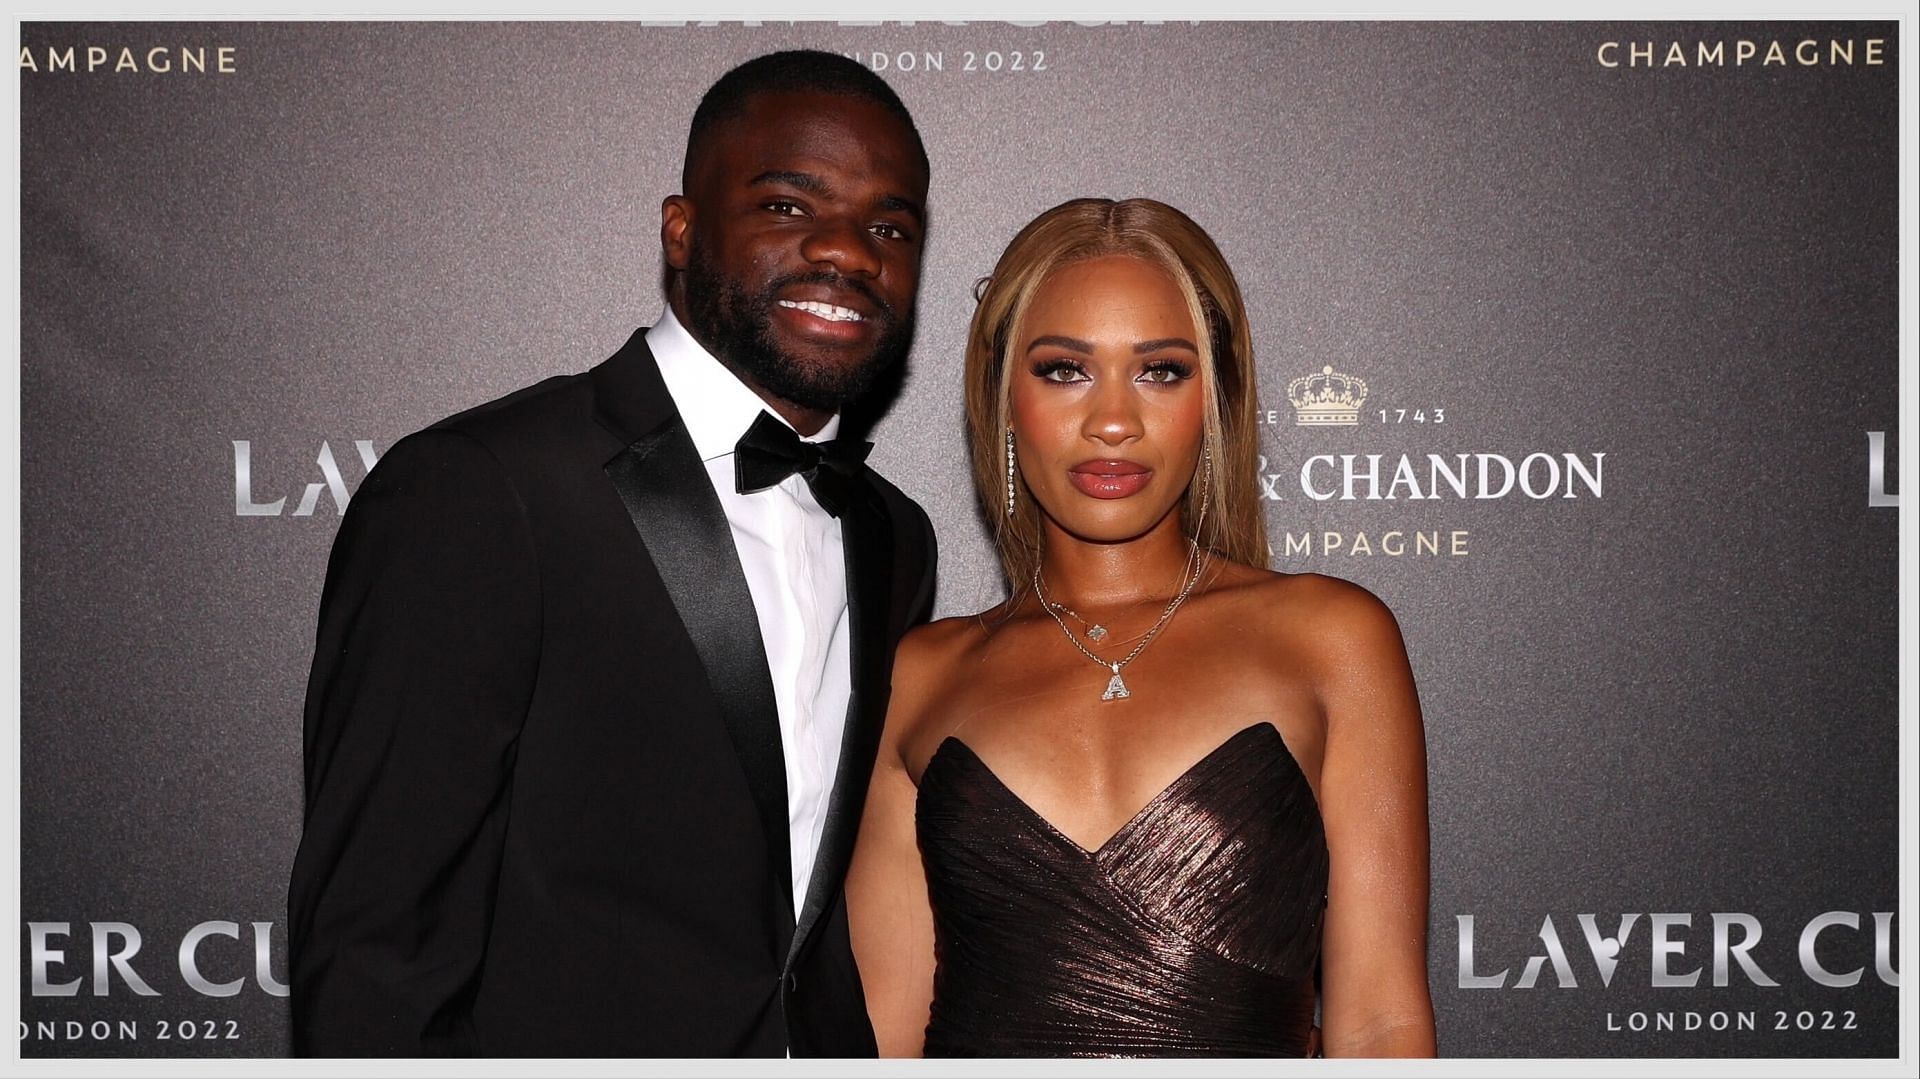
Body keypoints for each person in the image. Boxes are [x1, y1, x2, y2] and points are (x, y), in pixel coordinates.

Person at [287, 50, 937, 1057]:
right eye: (786, 207)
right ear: (682, 230)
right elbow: (375, 944)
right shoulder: (483, 488)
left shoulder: (894, 535)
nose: (848, 252)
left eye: (890, 226)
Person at [845, 198, 1435, 1057]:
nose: (1113, 420)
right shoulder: (922, 674)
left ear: (1217, 399)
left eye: (1160, 370)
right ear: (1003, 398)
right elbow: (880, 1040)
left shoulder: (1332, 637)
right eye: (1063, 370)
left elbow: (1381, 1022)